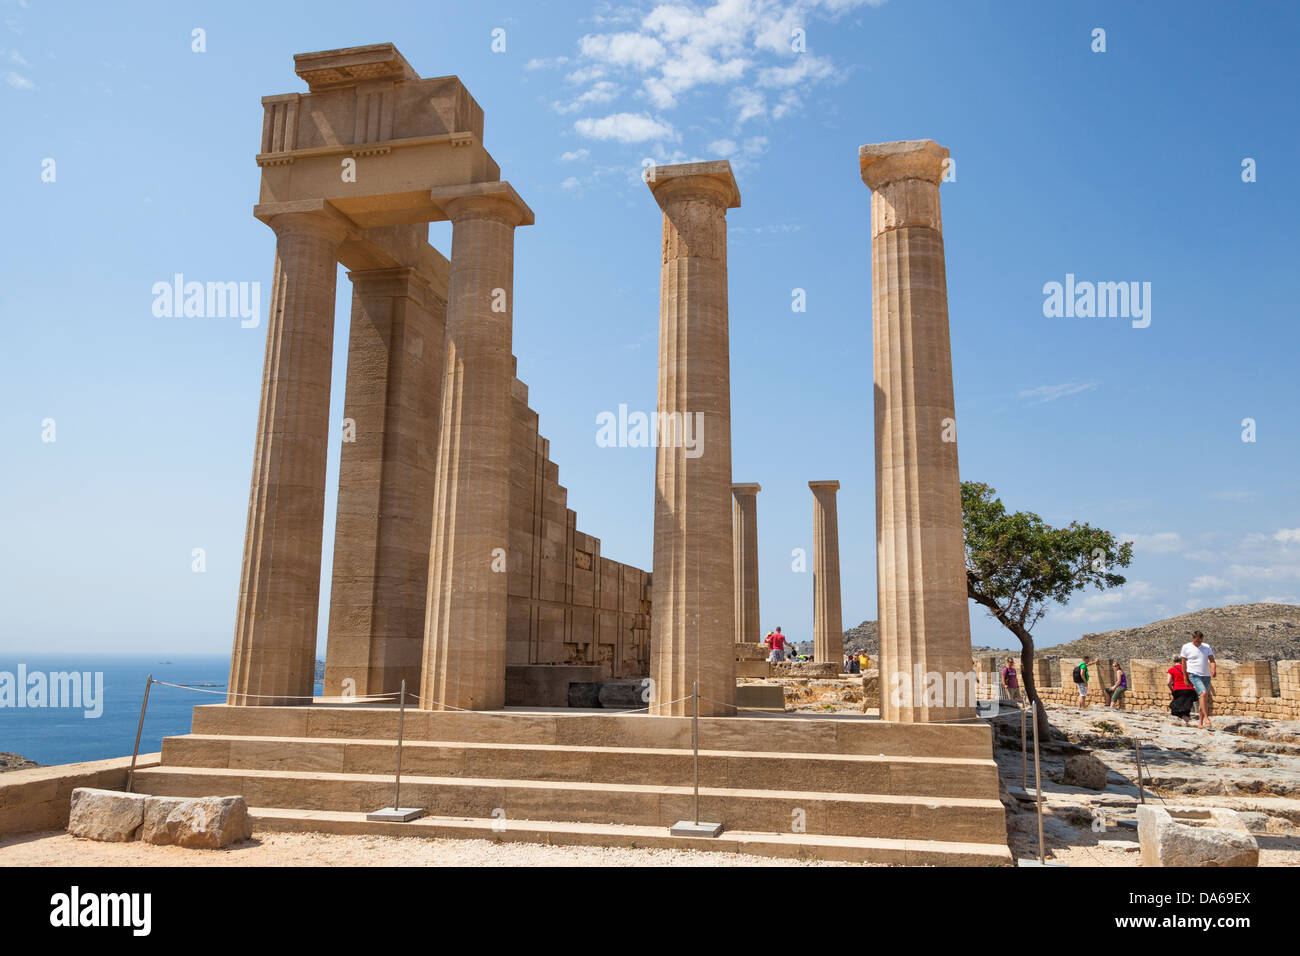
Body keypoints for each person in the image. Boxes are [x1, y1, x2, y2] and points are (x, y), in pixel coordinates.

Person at [1180, 630, 1217, 729]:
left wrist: (1213, 669)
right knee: (1203, 693)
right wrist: (1185, 677)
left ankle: (1200, 723)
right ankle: (1206, 719)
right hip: (1194, 674)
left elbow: (1212, 660)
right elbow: (1183, 663)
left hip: (1206, 675)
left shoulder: (1206, 647)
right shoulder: (1186, 647)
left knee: (1203, 698)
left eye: (1200, 641)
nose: (1198, 643)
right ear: (1193, 639)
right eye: (1196, 641)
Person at [1167, 654, 1196, 725]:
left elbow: (1168, 682)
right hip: (1189, 690)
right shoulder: (1188, 669)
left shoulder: (1171, 670)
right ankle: (1186, 722)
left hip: (1178, 690)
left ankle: (1180, 722)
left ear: (1174, 661)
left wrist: (1172, 689)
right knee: (1186, 709)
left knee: (1175, 707)